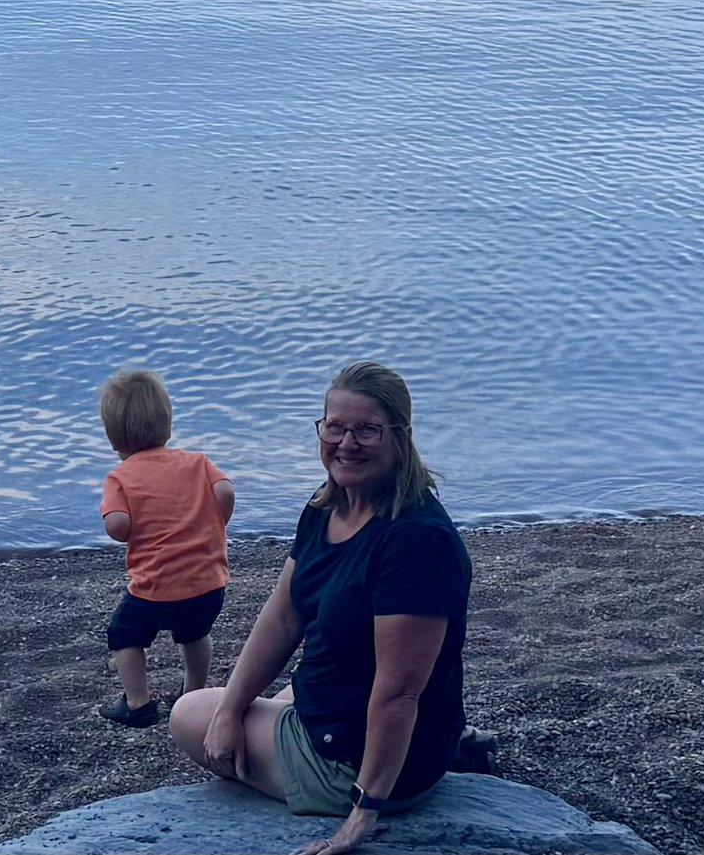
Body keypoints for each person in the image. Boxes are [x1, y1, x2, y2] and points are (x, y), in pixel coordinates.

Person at [171, 361, 471, 855]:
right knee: (240, 702)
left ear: (400, 435)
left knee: (187, 712)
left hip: (352, 758)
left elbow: (398, 694)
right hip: (348, 708)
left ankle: (375, 778)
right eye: (335, 426)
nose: (346, 443)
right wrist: (231, 710)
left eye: (367, 429)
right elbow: (285, 614)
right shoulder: (327, 504)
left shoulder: (415, 543)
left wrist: (361, 817)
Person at [94, 366, 236, 726]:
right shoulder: (197, 463)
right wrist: (217, 523)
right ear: (166, 422)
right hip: (207, 583)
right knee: (195, 634)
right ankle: (193, 693)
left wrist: (122, 525)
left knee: (123, 635)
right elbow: (226, 491)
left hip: (155, 588)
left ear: (113, 436)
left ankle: (139, 702)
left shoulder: (120, 477)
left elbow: (118, 526)